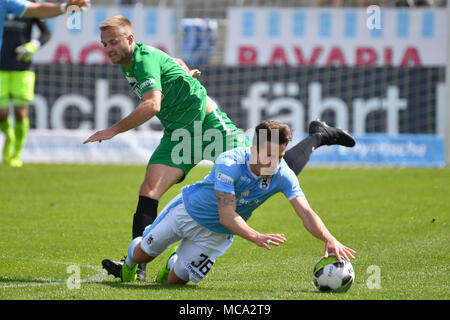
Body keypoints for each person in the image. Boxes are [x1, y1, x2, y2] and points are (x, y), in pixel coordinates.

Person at [83, 15, 356, 281]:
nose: (109, 49)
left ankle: (318, 136)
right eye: (104, 44)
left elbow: (152, 104)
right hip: (179, 134)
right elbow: (173, 62)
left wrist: (113, 130)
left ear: (129, 39)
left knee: (265, 167)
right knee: (149, 190)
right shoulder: (133, 61)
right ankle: (137, 265)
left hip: (208, 125)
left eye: (113, 42)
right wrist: (184, 74)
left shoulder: (141, 59)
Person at [102, 120, 356, 285]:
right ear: (253, 147)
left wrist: (328, 238)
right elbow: (227, 213)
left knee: (174, 284)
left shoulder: (283, 174)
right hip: (187, 212)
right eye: (268, 155)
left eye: (279, 156)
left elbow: (306, 213)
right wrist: (255, 236)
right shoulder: (230, 163)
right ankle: (130, 266)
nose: (274, 163)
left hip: (217, 235)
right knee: (143, 254)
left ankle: (174, 263)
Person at [0, 0, 51, 167]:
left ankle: (17, 154)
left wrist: (34, 45)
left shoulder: (30, 6)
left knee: (21, 113)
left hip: (23, 68)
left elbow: (46, 33)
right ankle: (9, 136)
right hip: (1, 68)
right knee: (2, 114)